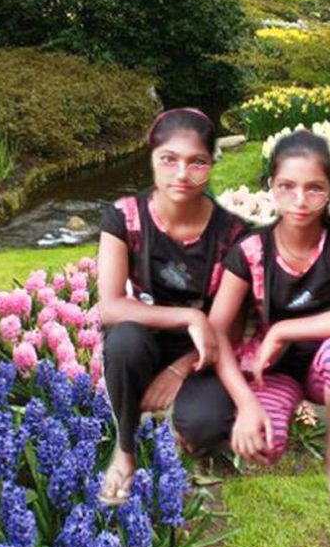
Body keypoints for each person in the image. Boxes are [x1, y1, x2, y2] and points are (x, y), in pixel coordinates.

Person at [208, 129, 330, 504]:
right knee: (262, 444)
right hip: (275, 371)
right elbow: (216, 332)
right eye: (287, 186)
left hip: (325, 366)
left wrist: (282, 329)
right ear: (271, 185)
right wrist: (246, 403)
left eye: (314, 188)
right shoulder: (251, 250)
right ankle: (274, 408)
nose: (300, 200)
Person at [96, 107, 248, 504]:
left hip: (206, 351)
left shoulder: (234, 235)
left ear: (211, 164)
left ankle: (179, 427)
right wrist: (188, 315)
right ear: (151, 158)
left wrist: (179, 371)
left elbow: (227, 329)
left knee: (206, 427)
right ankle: (125, 449)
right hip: (145, 336)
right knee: (123, 341)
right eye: (169, 159)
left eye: (197, 162)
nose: (182, 174)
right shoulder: (123, 218)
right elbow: (110, 308)